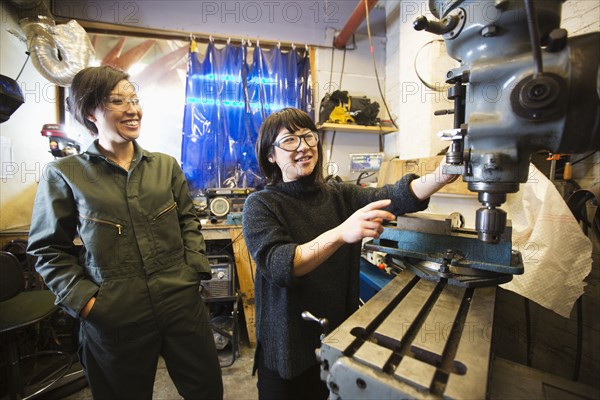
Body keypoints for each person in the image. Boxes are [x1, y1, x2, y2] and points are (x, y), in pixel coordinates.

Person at [27, 65, 223, 400]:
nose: (133, 109)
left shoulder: (165, 167)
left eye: (134, 99)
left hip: (181, 303)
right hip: (114, 313)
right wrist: (88, 304)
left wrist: (194, 272)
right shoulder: (66, 174)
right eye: (118, 101)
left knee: (206, 390)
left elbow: (188, 221)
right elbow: (47, 250)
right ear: (91, 112)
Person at [242, 107, 456, 400]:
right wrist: (342, 232)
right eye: (289, 140)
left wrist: (442, 175)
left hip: (336, 336)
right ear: (271, 155)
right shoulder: (260, 205)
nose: (303, 147)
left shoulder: (337, 194)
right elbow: (283, 264)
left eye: (308, 137)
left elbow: (392, 197)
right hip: (286, 347)